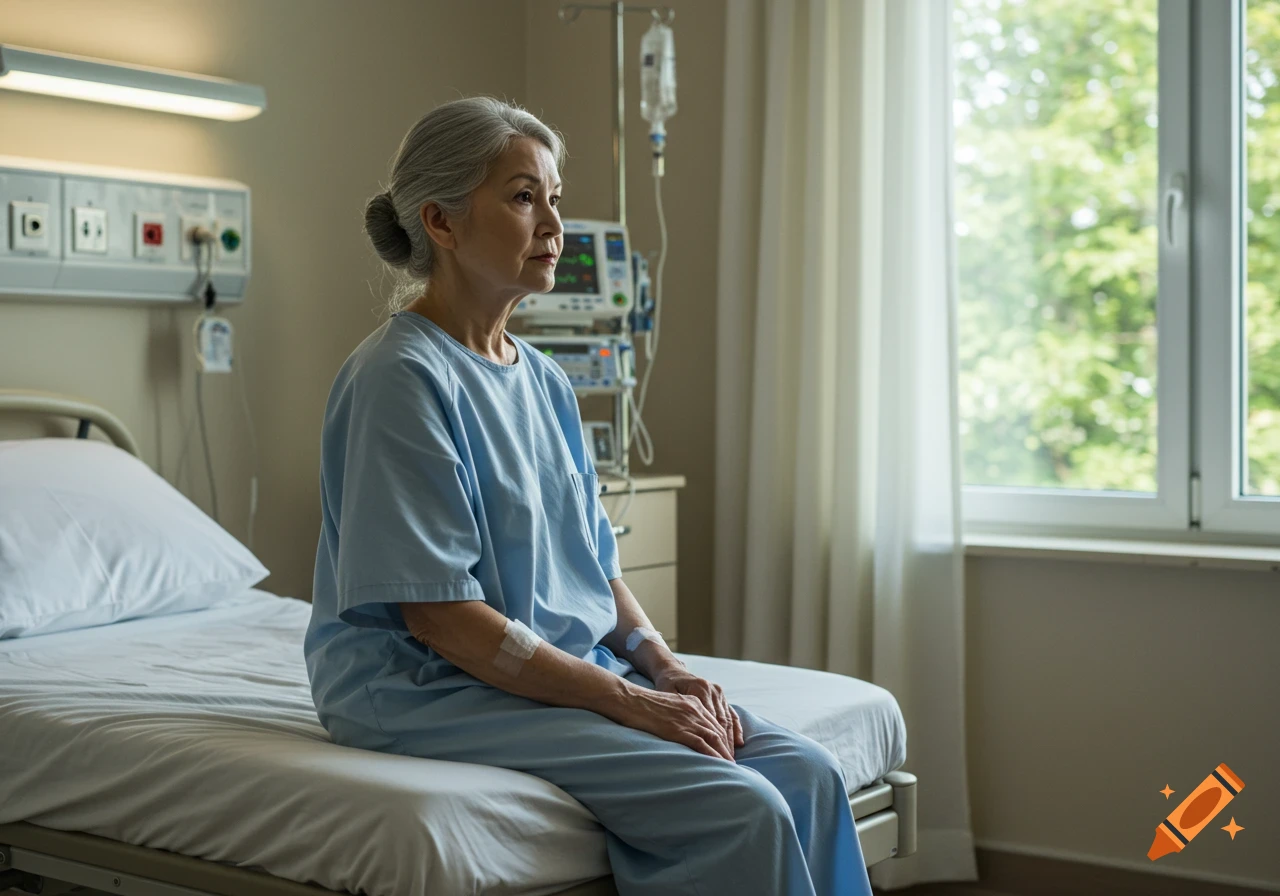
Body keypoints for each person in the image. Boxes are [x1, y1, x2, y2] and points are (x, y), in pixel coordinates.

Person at [304, 95, 874, 896]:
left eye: (554, 198)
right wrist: (627, 705)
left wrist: (663, 669)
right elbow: (437, 617)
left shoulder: (540, 378)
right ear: (440, 221)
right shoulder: (401, 379)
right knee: (739, 807)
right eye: (522, 195)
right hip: (422, 685)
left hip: (552, 664)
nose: (553, 224)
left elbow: (597, 567)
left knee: (806, 774)